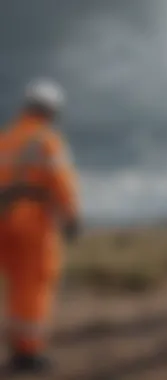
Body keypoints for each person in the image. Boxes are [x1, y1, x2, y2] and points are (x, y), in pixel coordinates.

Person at [0, 78, 80, 374]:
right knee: (34, 284)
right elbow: (62, 182)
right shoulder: (47, 140)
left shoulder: (5, 138)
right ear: (51, 110)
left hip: (3, 219)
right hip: (32, 220)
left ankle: (17, 347)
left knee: (15, 287)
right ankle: (28, 353)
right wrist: (71, 217)